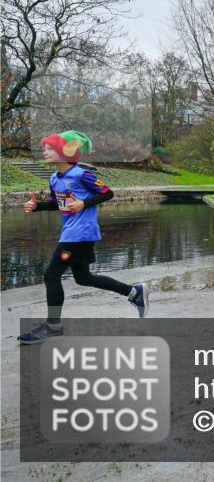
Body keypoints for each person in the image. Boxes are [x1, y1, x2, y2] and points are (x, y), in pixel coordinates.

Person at [18, 131, 148, 344]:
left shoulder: (82, 174)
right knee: (84, 278)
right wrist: (37, 207)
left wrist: (83, 203)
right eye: (45, 148)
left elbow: (107, 193)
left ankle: (53, 327)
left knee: (52, 275)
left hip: (81, 234)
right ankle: (134, 292)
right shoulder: (54, 178)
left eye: (50, 148)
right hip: (72, 233)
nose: (45, 152)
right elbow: (56, 203)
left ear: (64, 151)